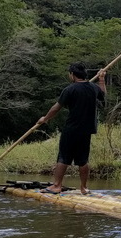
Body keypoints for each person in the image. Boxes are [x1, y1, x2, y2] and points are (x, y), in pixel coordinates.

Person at [37, 62, 106, 195]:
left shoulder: (70, 89)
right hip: (87, 130)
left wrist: (45, 118)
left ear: (72, 75)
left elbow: (56, 108)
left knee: (64, 157)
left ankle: (57, 185)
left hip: (72, 129)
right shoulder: (93, 88)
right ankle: (84, 188)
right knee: (83, 159)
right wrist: (101, 79)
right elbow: (102, 94)